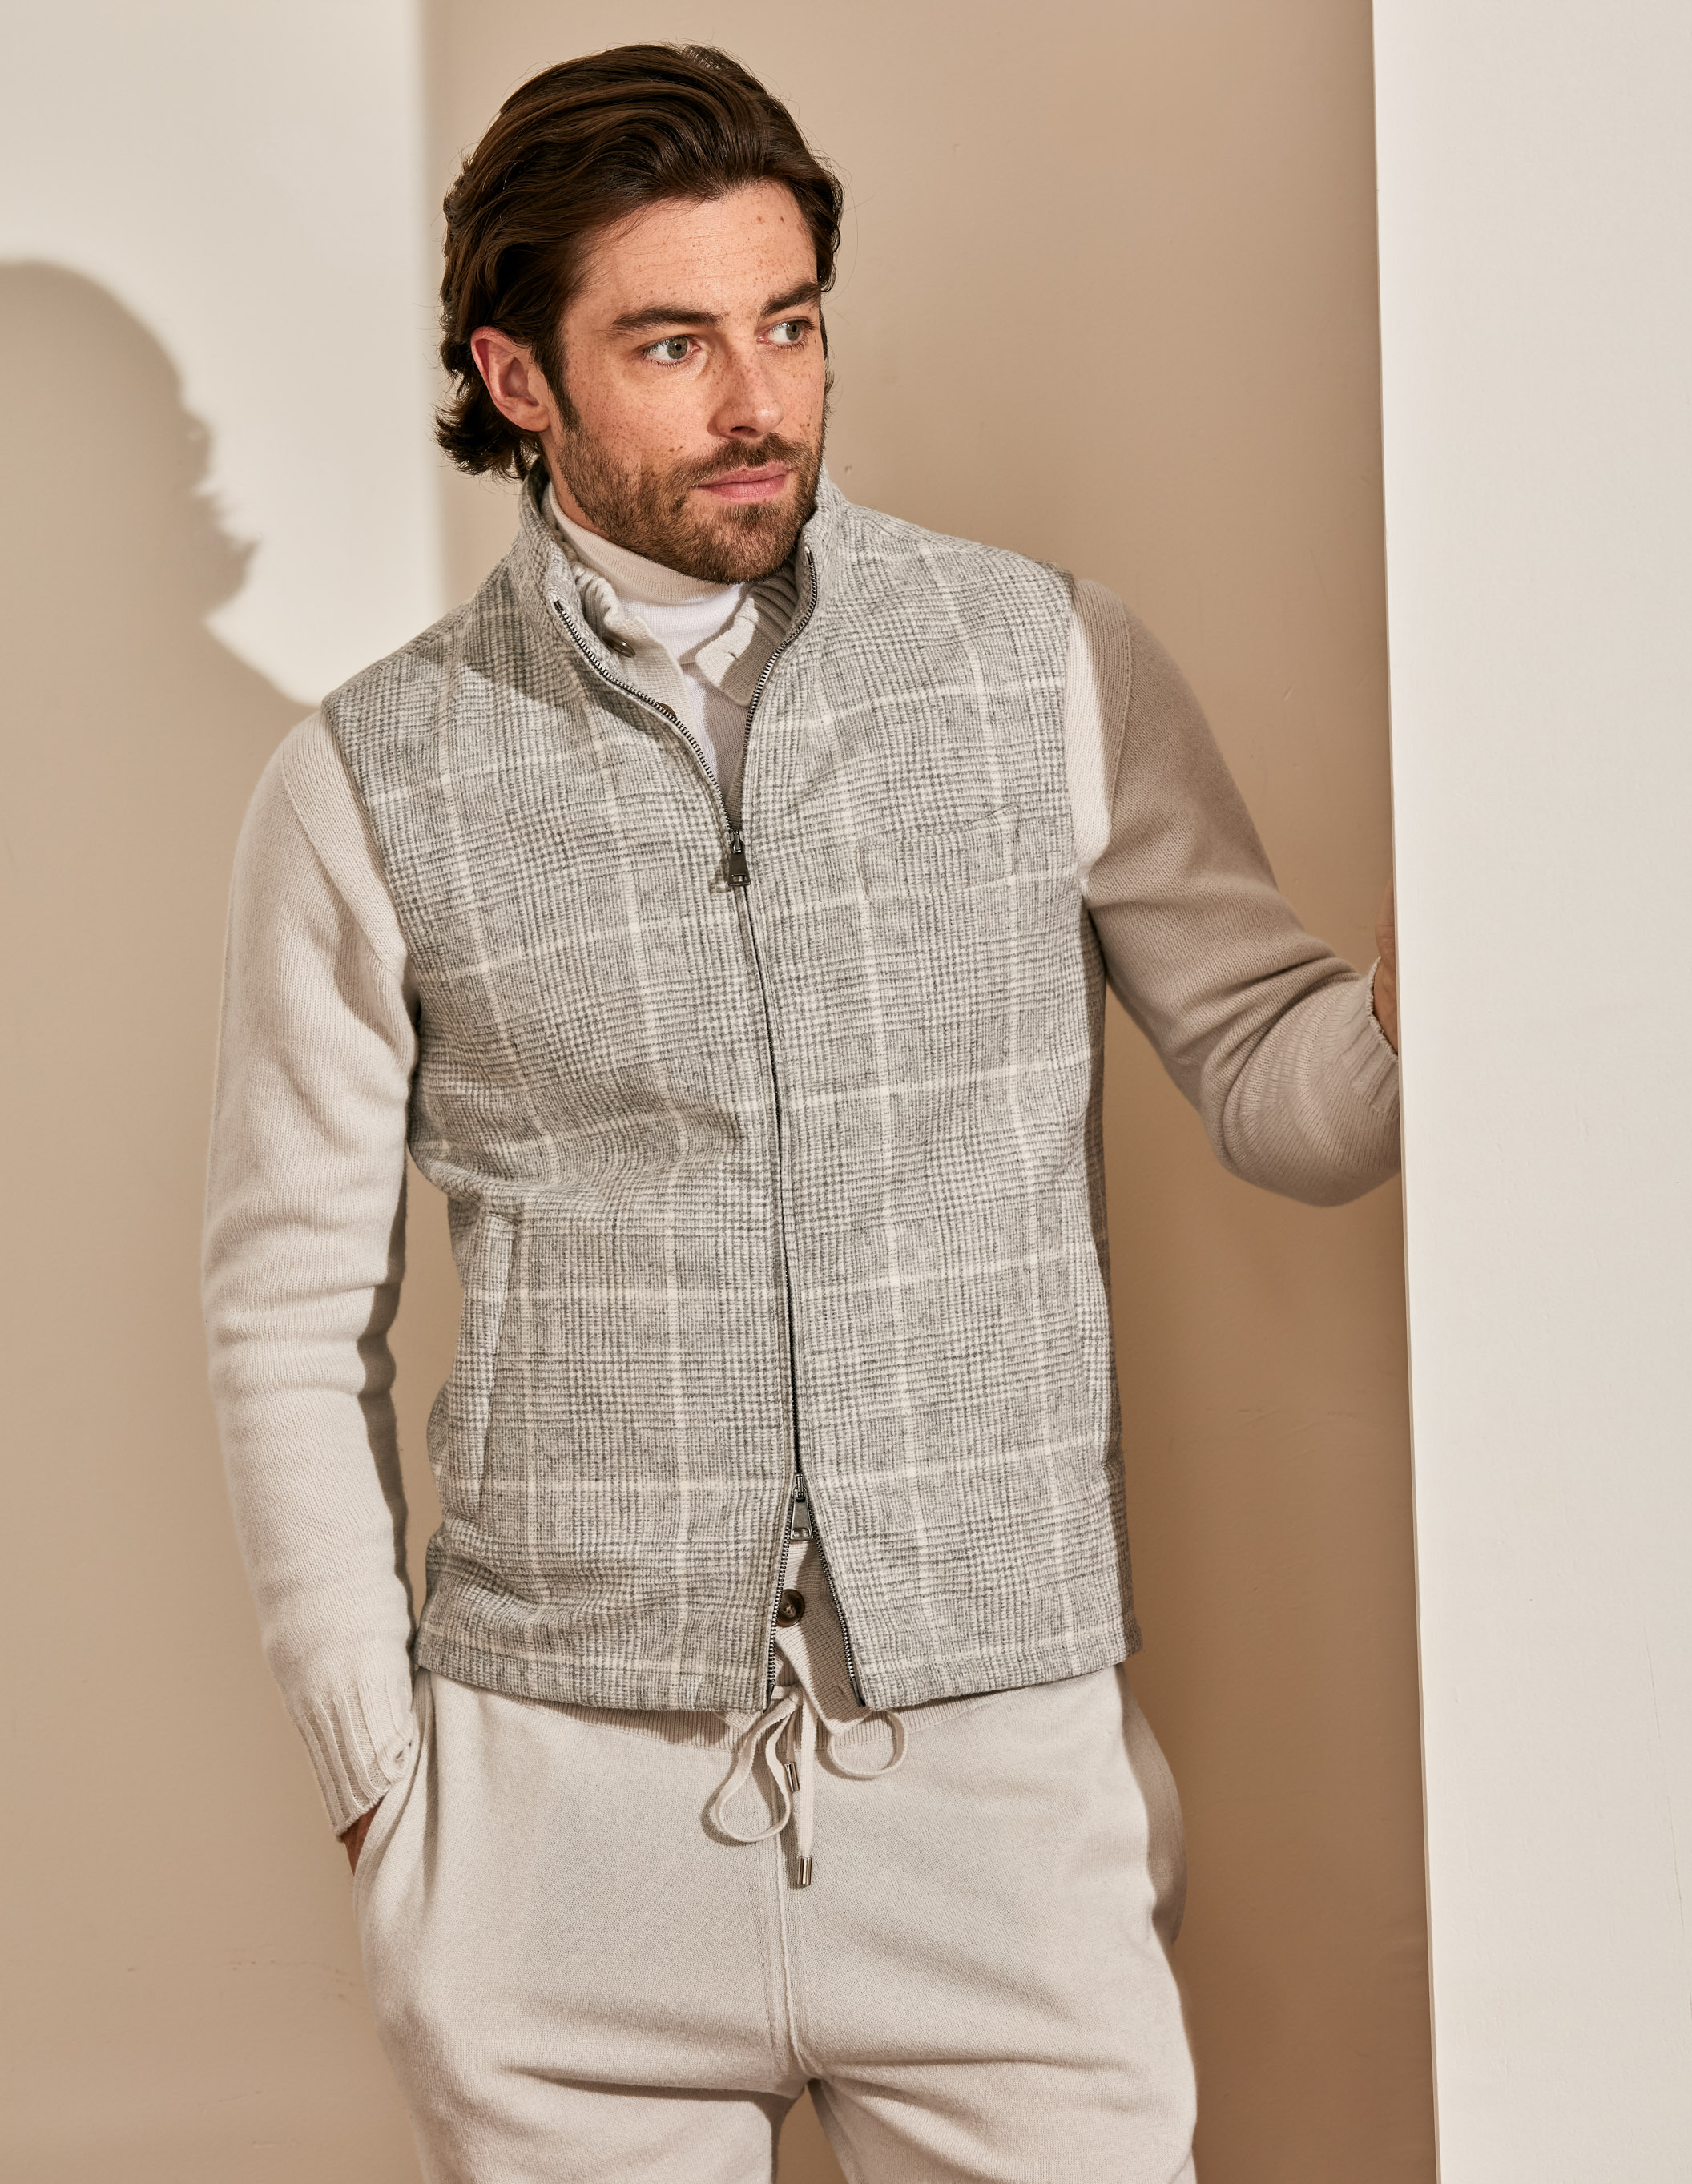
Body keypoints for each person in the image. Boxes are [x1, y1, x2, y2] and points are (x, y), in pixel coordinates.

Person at [203, 42, 1400, 2184]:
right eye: (674, 344)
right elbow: (286, 1312)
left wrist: (1507, 984)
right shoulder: (369, 777)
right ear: (519, 375)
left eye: (791, 323)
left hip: (995, 1783)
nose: (760, 399)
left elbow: (1277, 1072)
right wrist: (385, 1779)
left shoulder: (1039, 662)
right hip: (557, 1823)